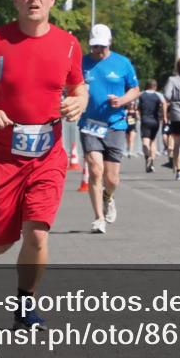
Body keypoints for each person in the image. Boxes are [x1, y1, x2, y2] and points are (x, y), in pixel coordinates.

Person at [0, 0, 87, 329]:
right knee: (1, 238)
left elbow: (78, 86)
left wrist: (79, 101)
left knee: (37, 233)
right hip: (4, 154)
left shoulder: (68, 44)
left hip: (48, 154)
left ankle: (25, 306)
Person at [78, 24, 140, 234]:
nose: (98, 50)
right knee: (95, 170)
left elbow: (135, 89)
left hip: (115, 125)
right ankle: (98, 218)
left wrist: (122, 100)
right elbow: (71, 87)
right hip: (90, 124)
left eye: (102, 46)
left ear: (110, 43)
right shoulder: (82, 63)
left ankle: (108, 196)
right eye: (95, 46)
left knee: (112, 179)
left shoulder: (122, 63)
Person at [137, 79, 165, 173]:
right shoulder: (159, 95)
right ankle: (152, 162)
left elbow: (137, 107)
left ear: (146, 86)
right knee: (153, 142)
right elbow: (164, 103)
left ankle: (147, 156)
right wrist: (164, 116)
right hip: (155, 121)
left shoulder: (141, 94)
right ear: (155, 87)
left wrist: (138, 116)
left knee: (145, 142)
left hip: (145, 120)